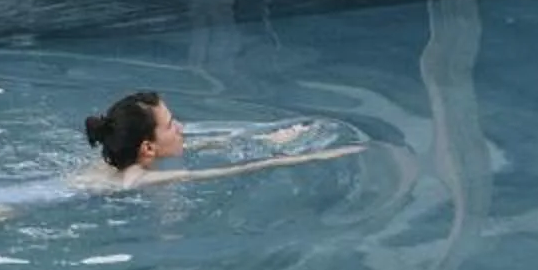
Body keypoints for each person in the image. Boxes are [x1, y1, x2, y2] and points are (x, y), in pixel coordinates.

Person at [83, 89, 359, 188]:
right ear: (148, 148)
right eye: (170, 125)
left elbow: (203, 144)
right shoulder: (134, 180)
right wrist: (316, 156)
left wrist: (272, 139)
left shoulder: (117, 158)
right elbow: (239, 169)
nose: (181, 127)